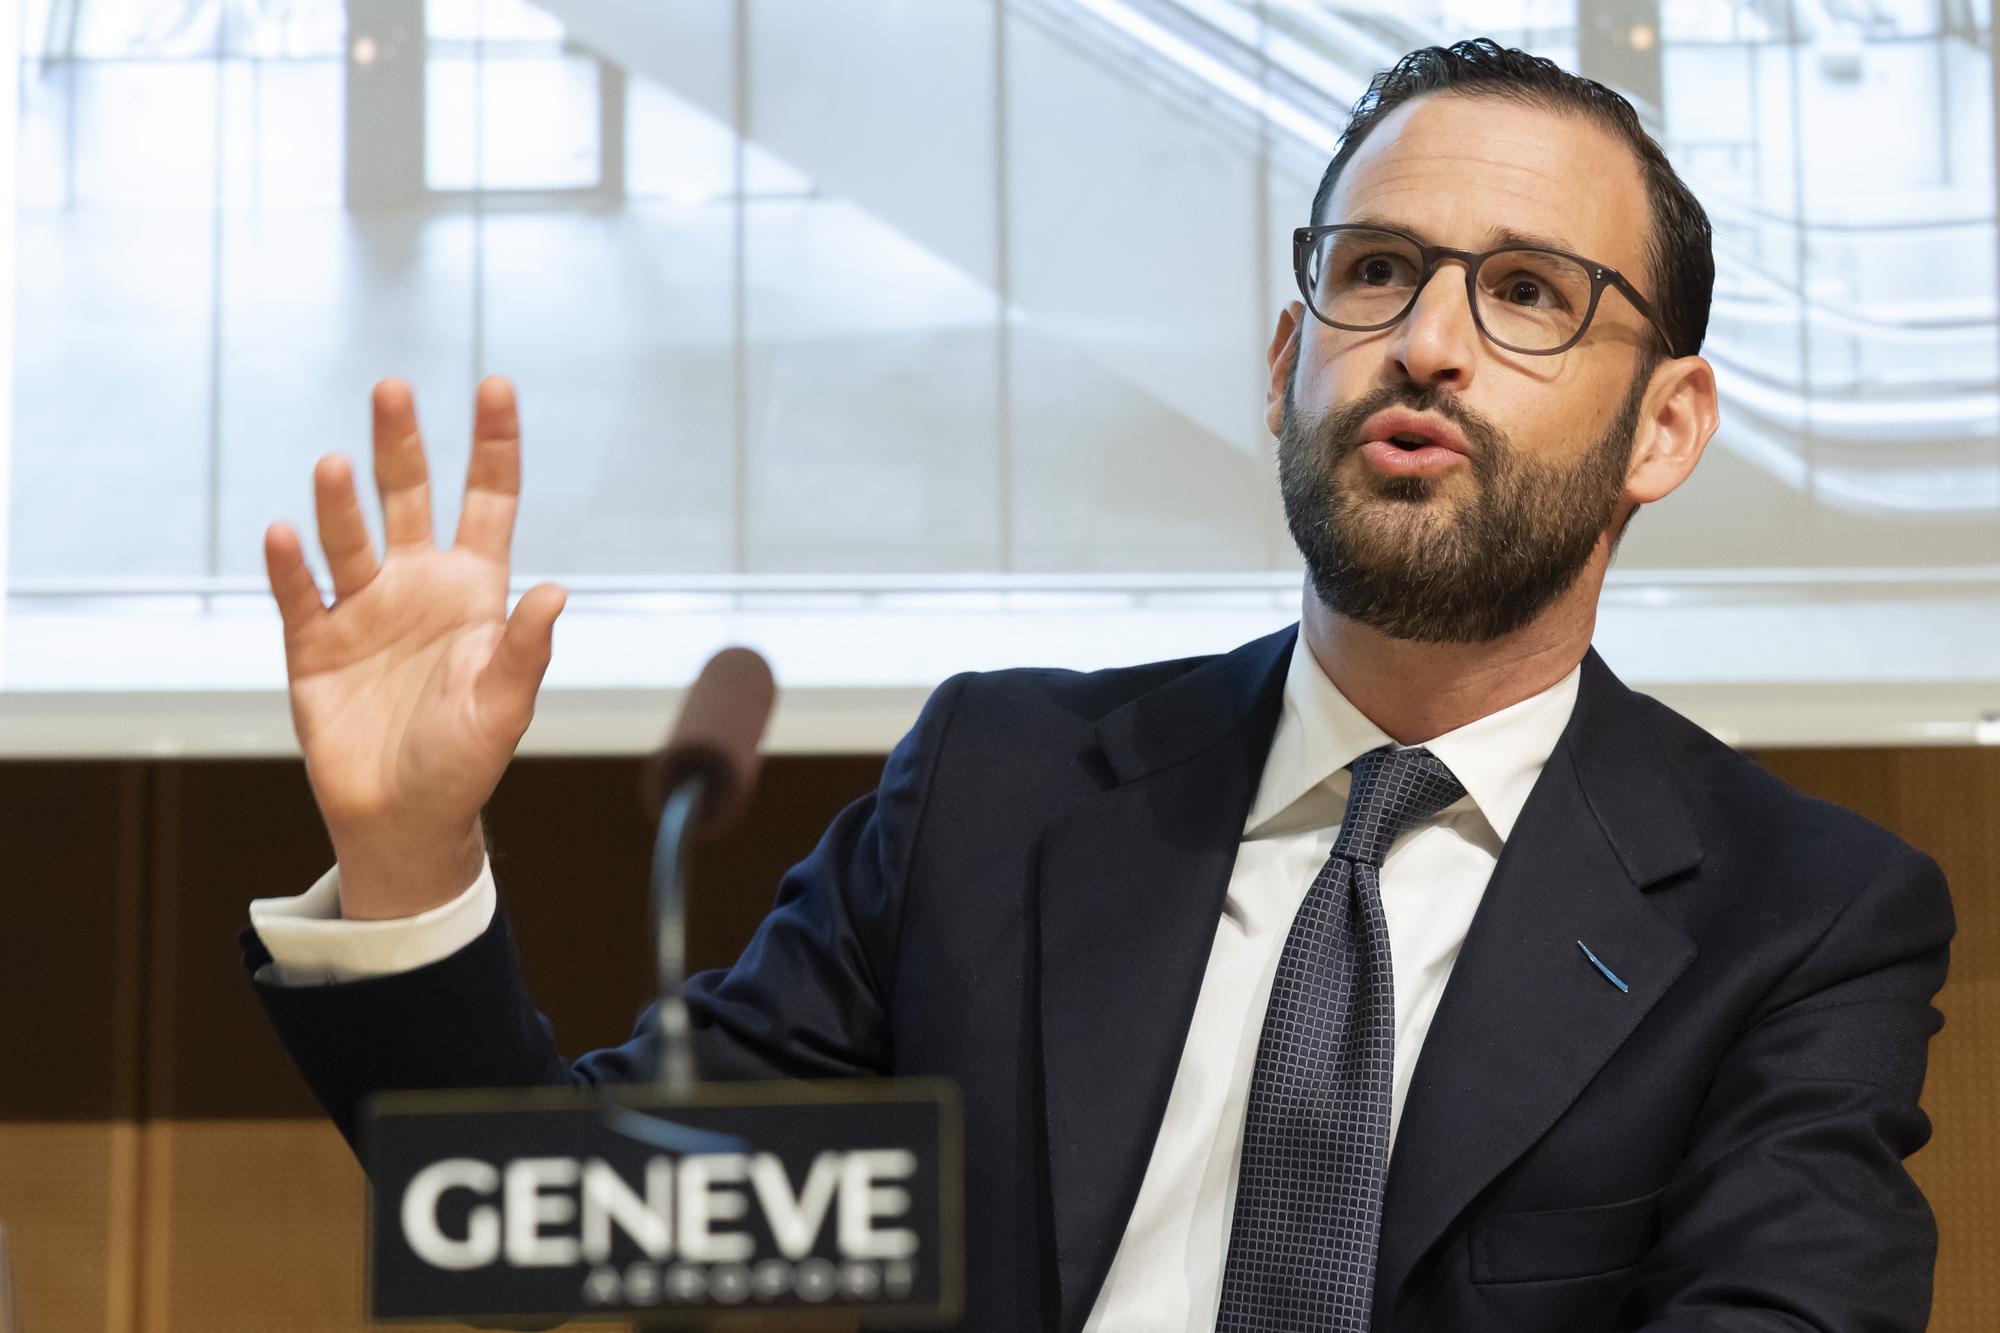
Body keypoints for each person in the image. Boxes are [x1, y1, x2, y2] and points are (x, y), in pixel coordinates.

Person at [243, 39, 1954, 1333]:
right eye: (1376, 271)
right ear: (1289, 360)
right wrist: (405, 853)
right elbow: (574, 1231)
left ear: (1666, 426)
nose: (1427, 340)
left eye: (1526, 294)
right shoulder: (1003, 782)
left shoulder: (1796, 916)